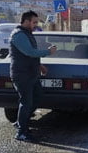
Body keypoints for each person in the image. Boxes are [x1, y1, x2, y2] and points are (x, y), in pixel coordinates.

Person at [9, 10, 56, 142]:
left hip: (31, 73)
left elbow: (30, 55)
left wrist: (39, 66)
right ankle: (21, 132)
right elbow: (29, 52)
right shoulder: (18, 35)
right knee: (26, 102)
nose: (36, 25)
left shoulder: (27, 33)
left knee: (36, 99)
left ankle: (21, 122)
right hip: (22, 75)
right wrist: (47, 52)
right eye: (34, 22)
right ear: (26, 21)